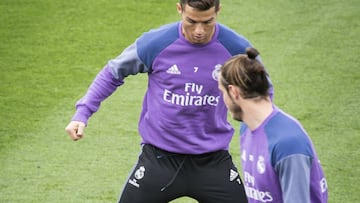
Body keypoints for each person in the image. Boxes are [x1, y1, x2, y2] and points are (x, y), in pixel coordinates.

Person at [65, 0, 269, 202]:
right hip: (158, 161)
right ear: (179, 9)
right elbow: (112, 73)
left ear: (218, 11)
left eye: (208, 22)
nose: (199, 30)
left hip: (213, 162)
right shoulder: (156, 42)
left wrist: (260, 132)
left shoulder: (236, 47)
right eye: (191, 21)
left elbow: (263, 88)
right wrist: (82, 113)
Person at [218, 47, 328, 203]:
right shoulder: (247, 129)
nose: (224, 101)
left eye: (222, 92)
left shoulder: (288, 143)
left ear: (234, 92)